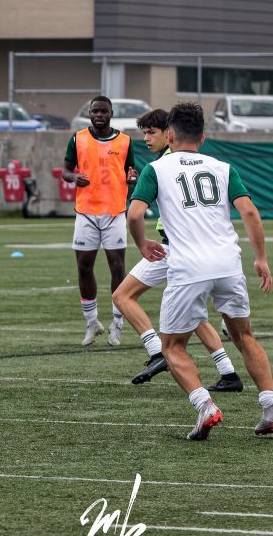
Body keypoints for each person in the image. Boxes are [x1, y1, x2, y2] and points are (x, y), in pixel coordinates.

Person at [127, 102, 273, 440]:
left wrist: (141, 244)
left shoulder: (157, 169)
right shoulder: (223, 167)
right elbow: (250, 212)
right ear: (203, 137)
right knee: (243, 336)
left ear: (171, 135)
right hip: (227, 263)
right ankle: (269, 407)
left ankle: (205, 406)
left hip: (188, 266)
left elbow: (135, 215)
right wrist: (261, 259)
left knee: (172, 346)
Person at [114, 108, 242, 390]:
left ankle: (157, 351)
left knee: (122, 296)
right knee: (193, 315)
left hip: (174, 248)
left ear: (169, 134)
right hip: (199, 250)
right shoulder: (178, 161)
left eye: (152, 133)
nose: (146, 139)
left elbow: (135, 213)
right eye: (143, 133)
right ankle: (229, 372)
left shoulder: (165, 164)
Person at [62, 95, 137, 346]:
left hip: (115, 211)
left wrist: (132, 178)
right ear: (90, 113)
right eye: (95, 111)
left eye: (104, 111)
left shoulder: (125, 141)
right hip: (85, 212)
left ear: (111, 113)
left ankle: (118, 323)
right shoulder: (78, 138)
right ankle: (92, 322)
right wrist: (73, 178)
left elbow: (131, 172)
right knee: (84, 267)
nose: (99, 115)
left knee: (117, 268)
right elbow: (65, 170)